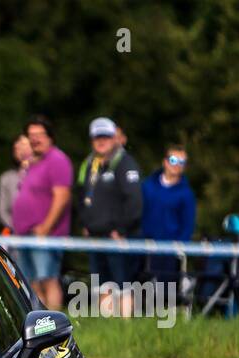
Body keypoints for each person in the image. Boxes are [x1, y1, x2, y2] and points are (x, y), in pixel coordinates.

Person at [77, 116, 144, 316]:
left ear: (114, 138)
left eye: (105, 136)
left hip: (118, 237)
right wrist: (86, 223)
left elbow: (135, 201)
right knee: (101, 284)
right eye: (97, 137)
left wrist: (122, 229)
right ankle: (108, 324)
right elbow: (80, 195)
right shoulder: (90, 164)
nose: (101, 140)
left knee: (122, 283)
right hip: (96, 236)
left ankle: (125, 327)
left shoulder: (125, 163)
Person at [11, 116, 73, 309]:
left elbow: (62, 196)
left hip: (46, 235)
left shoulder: (57, 159)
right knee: (32, 283)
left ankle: (56, 325)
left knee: (48, 279)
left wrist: (46, 227)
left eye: (39, 134)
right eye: (31, 135)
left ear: (50, 136)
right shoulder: (32, 162)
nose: (35, 139)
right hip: (25, 235)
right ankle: (41, 324)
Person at [140, 144, 197, 286]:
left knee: (165, 297)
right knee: (139, 292)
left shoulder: (187, 194)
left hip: (169, 253)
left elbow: (188, 226)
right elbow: (136, 214)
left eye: (182, 162)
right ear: (165, 162)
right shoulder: (147, 186)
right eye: (173, 160)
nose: (177, 165)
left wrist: (178, 248)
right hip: (143, 248)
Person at [0, 134, 32, 232]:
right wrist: (17, 227)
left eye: (25, 145)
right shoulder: (6, 179)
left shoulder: (46, 174)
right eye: (17, 147)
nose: (21, 149)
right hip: (15, 236)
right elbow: (2, 211)